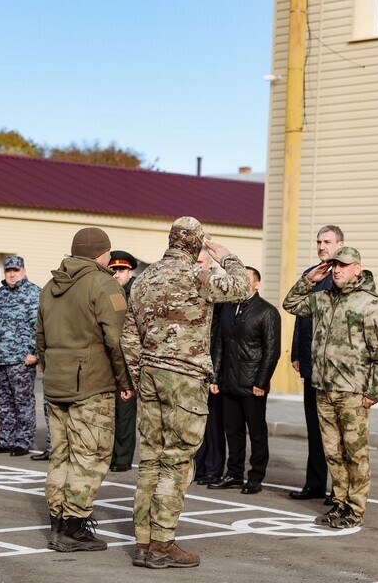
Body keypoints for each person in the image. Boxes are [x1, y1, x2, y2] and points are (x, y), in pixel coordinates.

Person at [121, 216, 251, 569]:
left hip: (149, 375)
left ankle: (144, 542)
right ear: (195, 244)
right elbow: (242, 287)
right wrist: (227, 256)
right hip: (185, 379)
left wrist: (139, 376)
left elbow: (129, 337)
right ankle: (163, 544)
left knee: (150, 460)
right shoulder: (197, 275)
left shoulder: (143, 279)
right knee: (175, 462)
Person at [36, 227, 134, 553]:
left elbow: (40, 337)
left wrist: (51, 372)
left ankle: (57, 520)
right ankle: (74, 527)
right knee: (90, 457)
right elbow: (116, 339)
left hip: (56, 385)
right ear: (99, 253)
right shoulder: (102, 283)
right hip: (91, 386)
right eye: (108, 252)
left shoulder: (51, 286)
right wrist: (125, 381)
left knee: (60, 456)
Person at [283, 246, 378, 529]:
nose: (337, 269)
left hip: (352, 390)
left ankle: (355, 510)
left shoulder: (370, 304)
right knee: (333, 452)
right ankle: (340, 504)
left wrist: (373, 392)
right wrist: (309, 279)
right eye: (334, 265)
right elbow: (290, 304)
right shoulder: (322, 299)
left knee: (355, 454)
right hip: (324, 388)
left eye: (343, 265)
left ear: (358, 268)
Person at [208, 266, 280, 495]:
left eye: (246, 279)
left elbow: (272, 351)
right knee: (233, 431)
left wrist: (261, 382)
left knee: (257, 433)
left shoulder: (267, 312)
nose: (241, 283)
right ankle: (234, 473)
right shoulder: (229, 309)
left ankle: (256, 476)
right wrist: (215, 376)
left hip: (252, 385)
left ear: (257, 284)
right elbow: (220, 344)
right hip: (229, 380)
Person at [288, 225, 344, 501]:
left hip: (334, 371)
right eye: (319, 241)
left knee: (334, 433)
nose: (322, 246)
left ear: (340, 244)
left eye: (327, 241)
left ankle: (339, 489)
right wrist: (296, 352)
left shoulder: (344, 277)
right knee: (314, 428)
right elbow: (301, 316)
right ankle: (313, 484)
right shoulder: (312, 275)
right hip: (311, 366)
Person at [0, 256, 41, 457]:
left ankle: (23, 441)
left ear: (23, 270)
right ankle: (6, 439)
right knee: (5, 401)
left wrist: (34, 353)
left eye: (16, 270)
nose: (12, 274)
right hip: (0, 358)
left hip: (21, 359)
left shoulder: (34, 293)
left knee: (23, 401)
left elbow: (40, 326)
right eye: (8, 271)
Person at [192, 248, 226, 486]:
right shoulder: (188, 287)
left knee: (213, 423)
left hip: (212, 365)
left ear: (210, 264)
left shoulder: (216, 290)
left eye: (200, 262)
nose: (196, 265)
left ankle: (213, 468)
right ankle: (200, 465)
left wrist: (215, 373)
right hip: (193, 364)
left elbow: (220, 335)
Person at [107, 250, 139, 472]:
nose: (117, 274)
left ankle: (123, 458)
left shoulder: (135, 293)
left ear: (130, 271)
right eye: (114, 270)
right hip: (110, 359)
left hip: (129, 360)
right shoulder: (109, 292)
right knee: (111, 412)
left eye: (121, 270)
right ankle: (112, 454)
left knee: (125, 412)